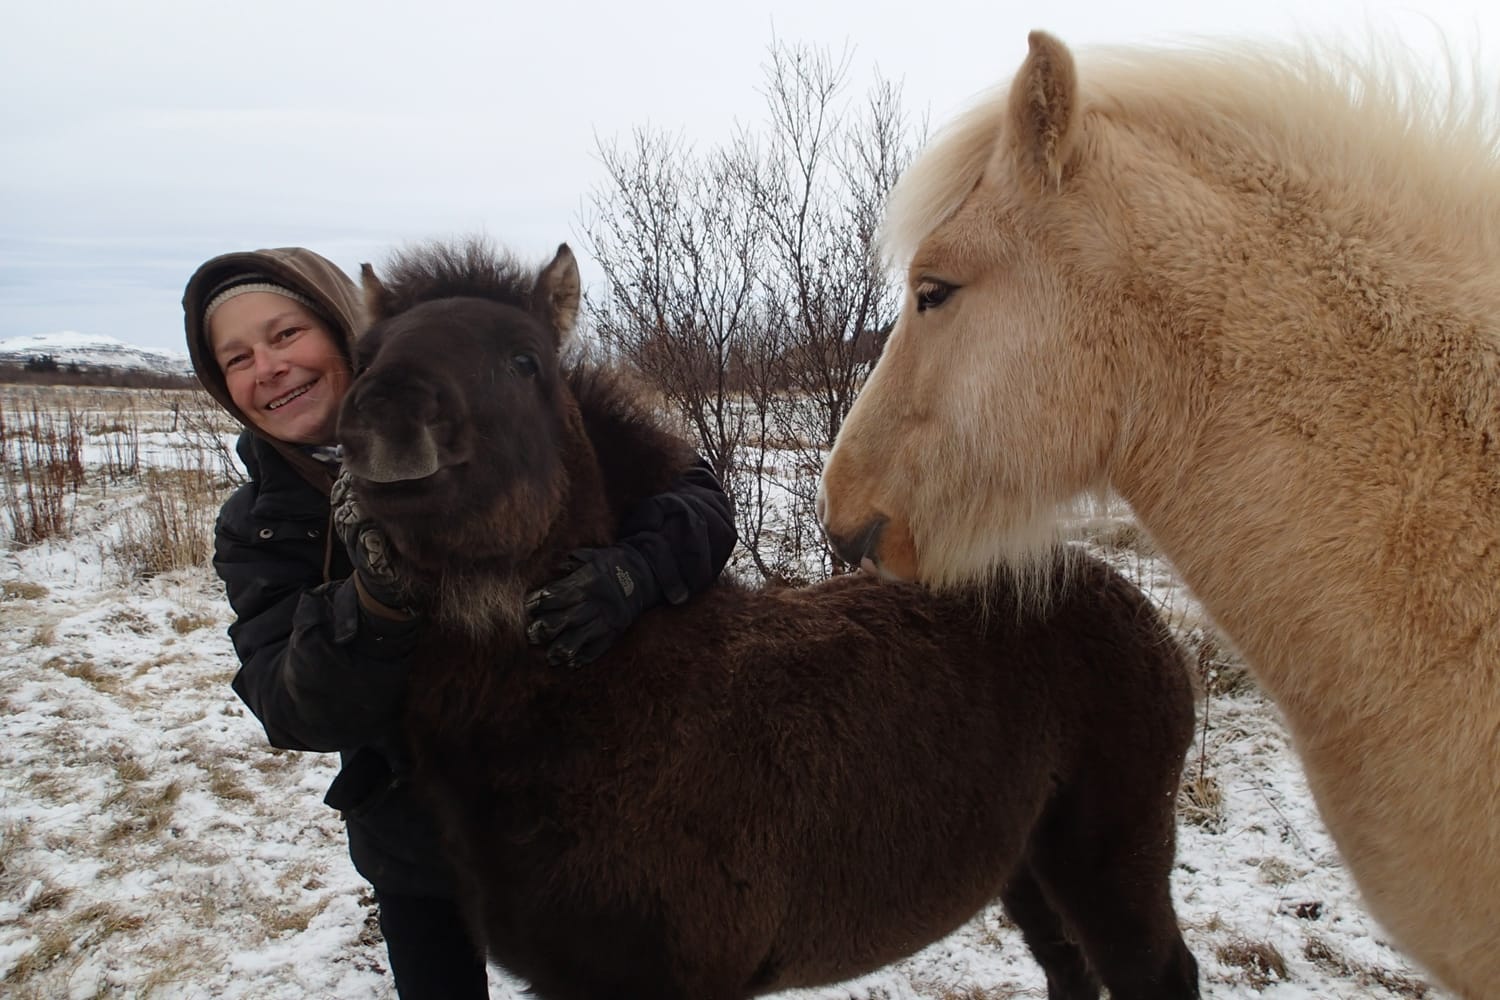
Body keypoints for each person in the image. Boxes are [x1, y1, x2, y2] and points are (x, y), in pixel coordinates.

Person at [182, 246, 737, 998]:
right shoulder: (263, 526)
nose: (269, 367)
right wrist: (374, 602)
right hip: (418, 834)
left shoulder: (509, 421)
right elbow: (293, 706)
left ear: (349, 331)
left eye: (285, 335)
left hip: (596, 814)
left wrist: (635, 569)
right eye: (236, 358)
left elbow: (694, 499)